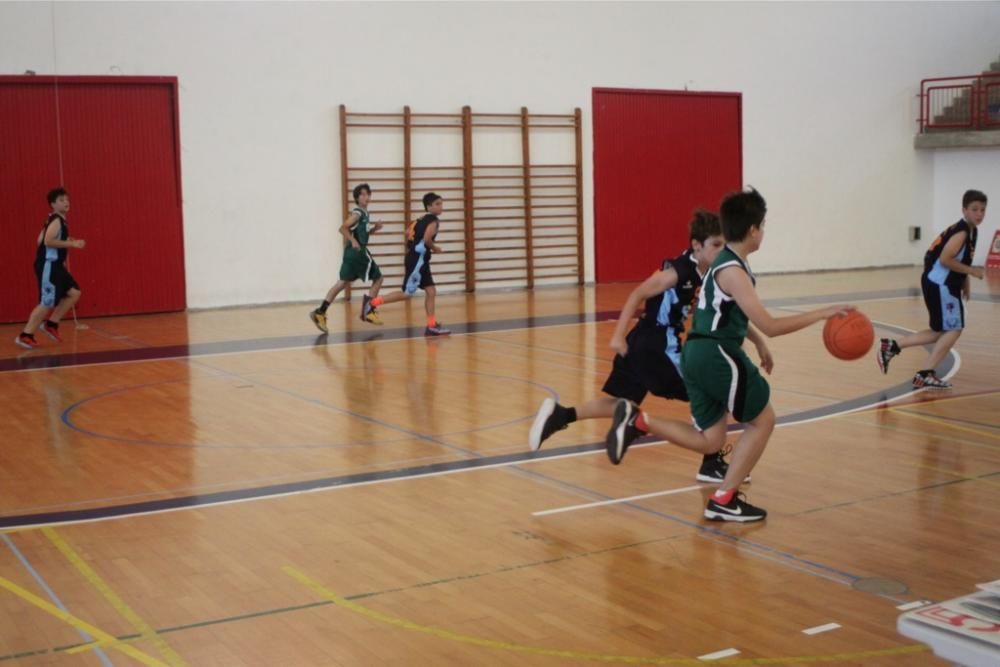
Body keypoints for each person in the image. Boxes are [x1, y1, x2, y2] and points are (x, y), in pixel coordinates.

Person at [606, 187, 852, 522]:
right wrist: (821, 313)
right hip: (716, 353)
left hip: (695, 351)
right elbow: (770, 324)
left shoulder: (722, 264)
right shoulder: (733, 270)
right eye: (762, 226)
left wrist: (760, 345)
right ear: (753, 230)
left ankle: (639, 420)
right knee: (763, 420)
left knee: (711, 440)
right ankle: (725, 497)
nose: (763, 232)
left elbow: (733, 315)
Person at [529, 210, 742, 482]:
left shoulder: (704, 270)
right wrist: (617, 335)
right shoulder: (679, 271)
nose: (721, 250)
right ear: (696, 245)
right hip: (657, 344)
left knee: (621, 403)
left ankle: (560, 416)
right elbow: (638, 293)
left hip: (641, 341)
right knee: (708, 391)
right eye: (716, 244)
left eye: (724, 245)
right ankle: (711, 462)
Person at [877, 189, 987, 389]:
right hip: (941, 284)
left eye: (982, 210)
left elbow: (961, 257)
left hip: (939, 283)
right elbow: (946, 259)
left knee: (939, 331)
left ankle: (892, 346)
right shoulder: (962, 232)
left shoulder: (971, 231)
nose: (979, 214)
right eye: (974, 209)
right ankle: (925, 373)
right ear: (964, 210)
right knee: (954, 328)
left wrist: (965, 281)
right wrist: (971, 272)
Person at [363, 192, 450, 336]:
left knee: (431, 291)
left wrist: (414, 249)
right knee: (406, 293)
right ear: (429, 206)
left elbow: (407, 233)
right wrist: (435, 248)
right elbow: (427, 238)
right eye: (437, 204)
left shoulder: (418, 220)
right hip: (418, 261)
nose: (441, 206)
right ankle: (371, 304)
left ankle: (431, 325)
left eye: (441, 203)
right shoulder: (433, 221)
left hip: (418, 259)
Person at [15, 187, 85, 349]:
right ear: (53, 204)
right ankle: (26, 335)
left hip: (55, 265)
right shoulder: (56, 220)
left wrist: (64, 242)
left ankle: (51, 324)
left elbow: (39, 240)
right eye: (61, 200)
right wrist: (71, 243)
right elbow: (47, 241)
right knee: (46, 301)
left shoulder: (54, 220)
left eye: (67, 199)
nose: (66, 202)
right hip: (49, 265)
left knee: (74, 292)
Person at [310, 183, 384, 333]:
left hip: (350, 254)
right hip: (358, 253)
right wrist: (353, 240)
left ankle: (320, 312)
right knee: (379, 278)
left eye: (368, 194)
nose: (366, 197)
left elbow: (361, 233)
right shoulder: (358, 213)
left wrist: (374, 228)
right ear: (357, 197)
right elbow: (343, 228)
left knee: (342, 283)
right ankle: (368, 311)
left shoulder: (364, 213)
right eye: (362, 194)